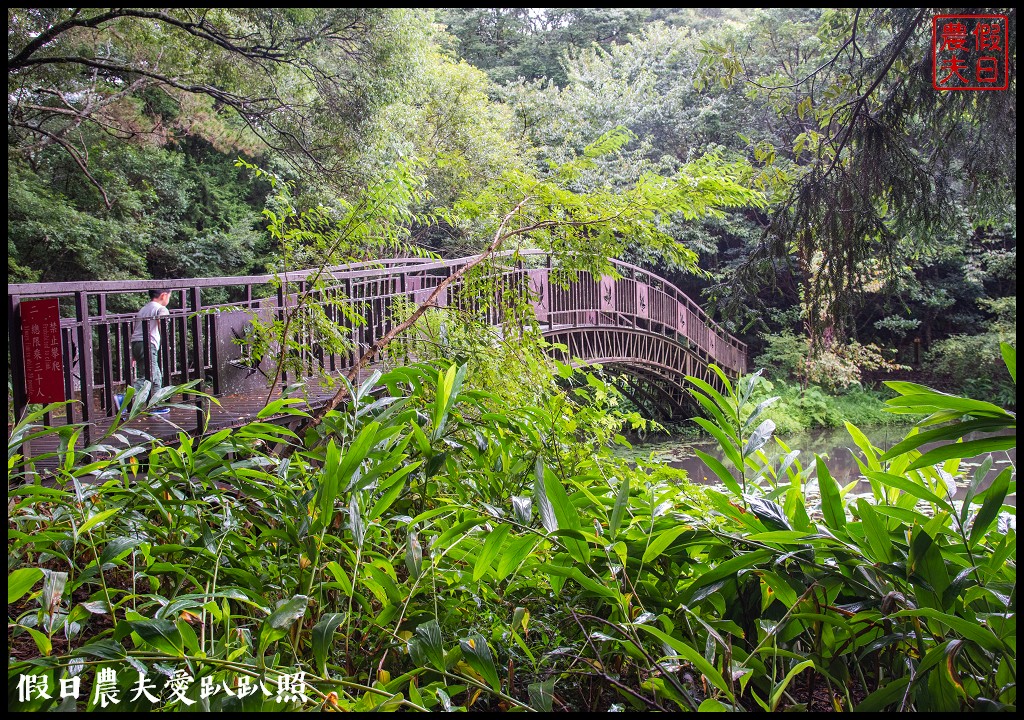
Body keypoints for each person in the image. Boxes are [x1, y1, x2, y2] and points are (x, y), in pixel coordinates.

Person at [126, 288, 172, 414]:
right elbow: (161, 323)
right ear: (163, 295)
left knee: (155, 375)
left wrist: (133, 354)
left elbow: (136, 328)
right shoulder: (161, 309)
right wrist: (165, 342)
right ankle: (125, 400)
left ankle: (155, 405)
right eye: (169, 296)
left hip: (137, 343)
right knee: (149, 376)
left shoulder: (144, 309)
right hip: (148, 344)